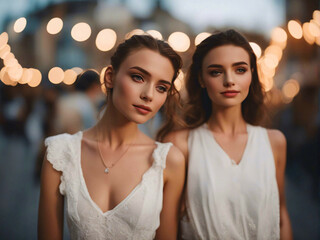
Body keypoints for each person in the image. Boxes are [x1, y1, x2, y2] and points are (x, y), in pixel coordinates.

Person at [38, 34, 185, 240]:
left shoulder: (168, 161)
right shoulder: (60, 153)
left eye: (161, 88)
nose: (149, 94)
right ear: (110, 77)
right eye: (138, 77)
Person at [161, 30, 293, 239]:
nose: (229, 80)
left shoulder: (274, 142)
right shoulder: (181, 144)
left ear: (252, 74)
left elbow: (281, 216)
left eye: (240, 70)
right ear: (201, 79)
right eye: (216, 72)